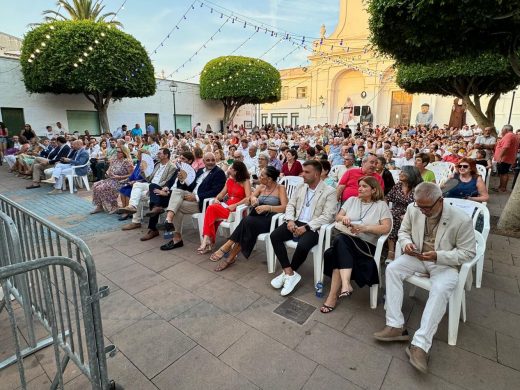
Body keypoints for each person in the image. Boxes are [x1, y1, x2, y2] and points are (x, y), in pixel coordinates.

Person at [374, 182, 476, 374]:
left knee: (440, 289)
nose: (422, 211)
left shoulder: (460, 219)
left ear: (440, 201)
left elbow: (468, 253)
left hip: (444, 263)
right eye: (419, 206)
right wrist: (406, 244)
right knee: (393, 269)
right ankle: (396, 326)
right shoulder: (415, 208)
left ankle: (420, 345)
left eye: (427, 207)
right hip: (418, 256)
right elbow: (403, 232)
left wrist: (439, 256)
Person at [320, 177, 392, 313]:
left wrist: (365, 228)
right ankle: (344, 286)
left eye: (364, 186)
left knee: (338, 244)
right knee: (340, 244)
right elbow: (337, 217)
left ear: (374, 190)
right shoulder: (352, 200)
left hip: (365, 245)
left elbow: (386, 228)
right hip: (347, 239)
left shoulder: (381, 205)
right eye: (359, 186)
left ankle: (335, 294)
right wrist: (344, 218)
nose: (360, 188)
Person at [269, 160, 337, 296]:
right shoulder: (301, 186)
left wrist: (307, 227)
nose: (302, 174)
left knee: (303, 245)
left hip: (314, 227)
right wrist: (289, 220)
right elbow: (290, 205)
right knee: (275, 236)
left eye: (307, 172)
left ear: (317, 174)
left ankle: (288, 274)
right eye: (303, 171)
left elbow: (328, 216)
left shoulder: (329, 191)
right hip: (296, 221)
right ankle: (289, 272)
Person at [209, 166, 288, 271]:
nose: (259, 176)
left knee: (247, 221)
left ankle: (227, 247)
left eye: (262, 175)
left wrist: (268, 207)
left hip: (271, 219)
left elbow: (285, 207)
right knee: (247, 228)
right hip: (256, 217)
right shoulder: (261, 187)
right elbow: (249, 198)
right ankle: (230, 257)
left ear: (269, 178)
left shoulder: (280, 188)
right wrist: (254, 198)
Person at [160, 153, 226, 251]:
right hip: (190, 196)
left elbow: (216, 191)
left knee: (176, 206)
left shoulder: (219, 173)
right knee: (177, 191)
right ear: (203, 161)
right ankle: (169, 220)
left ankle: (176, 238)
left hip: (202, 203)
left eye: (213, 160)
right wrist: (182, 179)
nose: (211, 162)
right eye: (208, 160)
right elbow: (191, 186)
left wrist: (196, 197)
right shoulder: (199, 171)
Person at [197, 161, 251, 253]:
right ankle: (207, 240)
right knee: (211, 209)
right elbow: (222, 194)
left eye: (231, 169)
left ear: (236, 172)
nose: (229, 170)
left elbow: (248, 198)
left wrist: (236, 205)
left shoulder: (245, 181)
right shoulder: (229, 180)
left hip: (237, 210)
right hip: (227, 207)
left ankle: (207, 241)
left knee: (210, 210)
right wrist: (217, 199)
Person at [118, 148, 177, 231]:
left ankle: (138, 220)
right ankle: (134, 214)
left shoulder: (172, 167)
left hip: (159, 187)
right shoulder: (157, 164)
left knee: (139, 190)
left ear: (166, 155)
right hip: (150, 184)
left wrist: (153, 187)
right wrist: (143, 171)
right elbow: (149, 179)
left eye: (160, 153)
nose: (157, 155)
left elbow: (168, 182)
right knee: (136, 188)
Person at [386, 166, 423, 260]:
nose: (400, 174)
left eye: (403, 172)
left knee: (398, 218)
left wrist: (407, 215)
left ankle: (405, 248)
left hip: (415, 212)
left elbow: (422, 204)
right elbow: (387, 198)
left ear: (410, 174)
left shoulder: (419, 187)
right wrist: (385, 209)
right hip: (397, 211)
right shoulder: (398, 185)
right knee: (391, 217)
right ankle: (391, 250)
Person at [91, 147, 134, 214]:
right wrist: (107, 173)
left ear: (124, 153)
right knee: (95, 185)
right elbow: (109, 169)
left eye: (119, 152)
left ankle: (114, 206)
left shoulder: (127, 161)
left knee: (103, 187)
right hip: (111, 179)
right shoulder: (114, 160)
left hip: (122, 181)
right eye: (116, 151)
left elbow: (131, 174)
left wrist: (119, 177)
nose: (117, 153)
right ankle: (99, 206)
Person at [493, 124, 519, 192]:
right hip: (508, 158)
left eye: (502, 130)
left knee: (503, 173)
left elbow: (506, 147)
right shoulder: (514, 136)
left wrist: (500, 157)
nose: (501, 131)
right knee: (504, 173)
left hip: (504, 159)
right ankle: (501, 187)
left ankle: (502, 188)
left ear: (506, 130)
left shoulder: (509, 135)